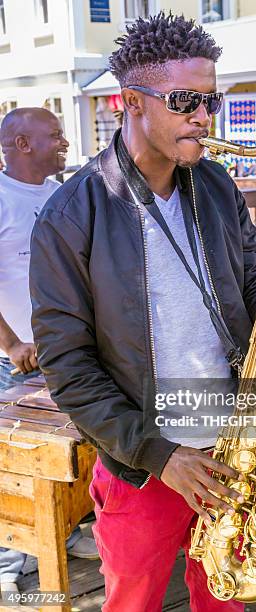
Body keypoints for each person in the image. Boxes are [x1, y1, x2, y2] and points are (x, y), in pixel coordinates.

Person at [29, 13, 256, 612]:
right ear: (131, 103)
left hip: (235, 438)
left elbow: (255, 278)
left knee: (224, 598)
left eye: (210, 99)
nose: (204, 115)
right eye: (185, 100)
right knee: (132, 603)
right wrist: (160, 456)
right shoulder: (70, 216)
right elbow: (66, 364)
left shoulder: (217, 185)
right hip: (147, 461)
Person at [0, 108, 99, 599]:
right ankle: (8, 562)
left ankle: (67, 530)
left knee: (66, 459)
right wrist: (12, 343)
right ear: (21, 144)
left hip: (63, 355)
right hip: (13, 359)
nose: (65, 142)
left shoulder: (60, 195)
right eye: (55, 135)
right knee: (14, 467)